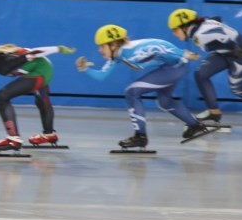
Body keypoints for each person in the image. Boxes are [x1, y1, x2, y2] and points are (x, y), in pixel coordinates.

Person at [75, 24, 211, 148]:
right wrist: (85, 69)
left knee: (131, 92)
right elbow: (102, 75)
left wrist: (183, 53)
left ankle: (140, 136)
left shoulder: (134, 50)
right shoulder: (117, 55)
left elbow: (159, 45)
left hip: (176, 67)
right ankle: (196, 125)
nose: (100, 50)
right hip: (170, 67)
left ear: (114, 44)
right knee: (164, 102)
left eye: (102, 46)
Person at [167, 8, 242, 123]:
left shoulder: (200, 35)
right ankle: (214, 112)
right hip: (226, 52)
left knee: (238, 90)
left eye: (175, 30)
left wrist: (233, 49)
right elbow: (218, 20)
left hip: (240, 54)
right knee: (200, 74)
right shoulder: (202, 25)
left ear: (185, 26)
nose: (173, 34)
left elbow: (227, 42)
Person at [0, 35, 75, 151]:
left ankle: (14, 139)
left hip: (41, 70)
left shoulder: (5, 60)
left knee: (2, 96)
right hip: (37, 69)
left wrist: (58, 49)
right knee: (42, 101)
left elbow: (33, 53)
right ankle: (49, 134)